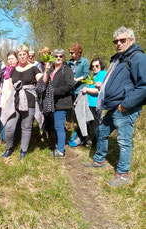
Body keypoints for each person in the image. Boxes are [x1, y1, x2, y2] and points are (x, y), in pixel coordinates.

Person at [84, 26, 146, 187]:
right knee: (102, 131)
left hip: (126, 107)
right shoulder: (119, 58)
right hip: (114, 107)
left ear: (131, 40)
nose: (118, 43)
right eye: (116, 41)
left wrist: (126, 104)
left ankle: (123, 174)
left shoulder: (137, 57)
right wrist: (102, 86)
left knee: (124, 141)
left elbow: (144, 86)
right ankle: (99, 160)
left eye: (122, 40)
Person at [0, 45, 44, 160]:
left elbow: (42, 80)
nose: (22, 56)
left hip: (29, 101)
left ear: (27, 55)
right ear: (18, 56)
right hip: (15, 101)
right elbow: (10, 88)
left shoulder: (34, 68)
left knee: (26, 126)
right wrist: (5, 103)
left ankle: (23, 150)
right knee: (10, 126)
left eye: (24, 54)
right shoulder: (13, 70)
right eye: (20, 54)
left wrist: (47, 71)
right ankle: (9, 148)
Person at [49, 49, 74, 157]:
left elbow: (70, 85)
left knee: (59, 126)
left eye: (60, 56)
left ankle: (60, 150)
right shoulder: (51, 69)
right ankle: (56, 145)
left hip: (62, 102)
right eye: (56, 56)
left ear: (63, 58)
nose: (58, 58)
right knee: (55, 125)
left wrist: (55, 92)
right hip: (52, 102)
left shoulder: (66, 69)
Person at [0, 51, 18, 144]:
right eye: (9, 59)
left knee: (10, 117)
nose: (10, 61)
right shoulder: (3, 71)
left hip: (14, 97)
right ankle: (1, 137)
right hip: (2, 97)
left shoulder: (19, 70)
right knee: (1, 117)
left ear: (17, 59)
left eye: (12, 58)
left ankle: (9, 138)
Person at [81, 57, 106, 144]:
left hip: (96, 103)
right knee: (91, 123)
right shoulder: (94, 75)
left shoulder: (103, 74)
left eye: (97, 66)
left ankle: (98, 143)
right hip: (90, 102)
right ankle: (93, 141)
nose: (94, 68)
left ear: (101, 65)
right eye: (93, 66)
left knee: (95, 123)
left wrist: (86, 90)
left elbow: (99, 91)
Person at [36, 46, 55, 142]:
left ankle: (51, 132)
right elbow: (41, 81)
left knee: (52, 114)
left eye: (45, 54)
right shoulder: (39, 66)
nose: (43, 56)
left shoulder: (54, 64)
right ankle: (44, 132)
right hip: (43, 92)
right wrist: (46, 70)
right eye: (41, 55)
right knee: (44, 112)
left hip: (54, 91)